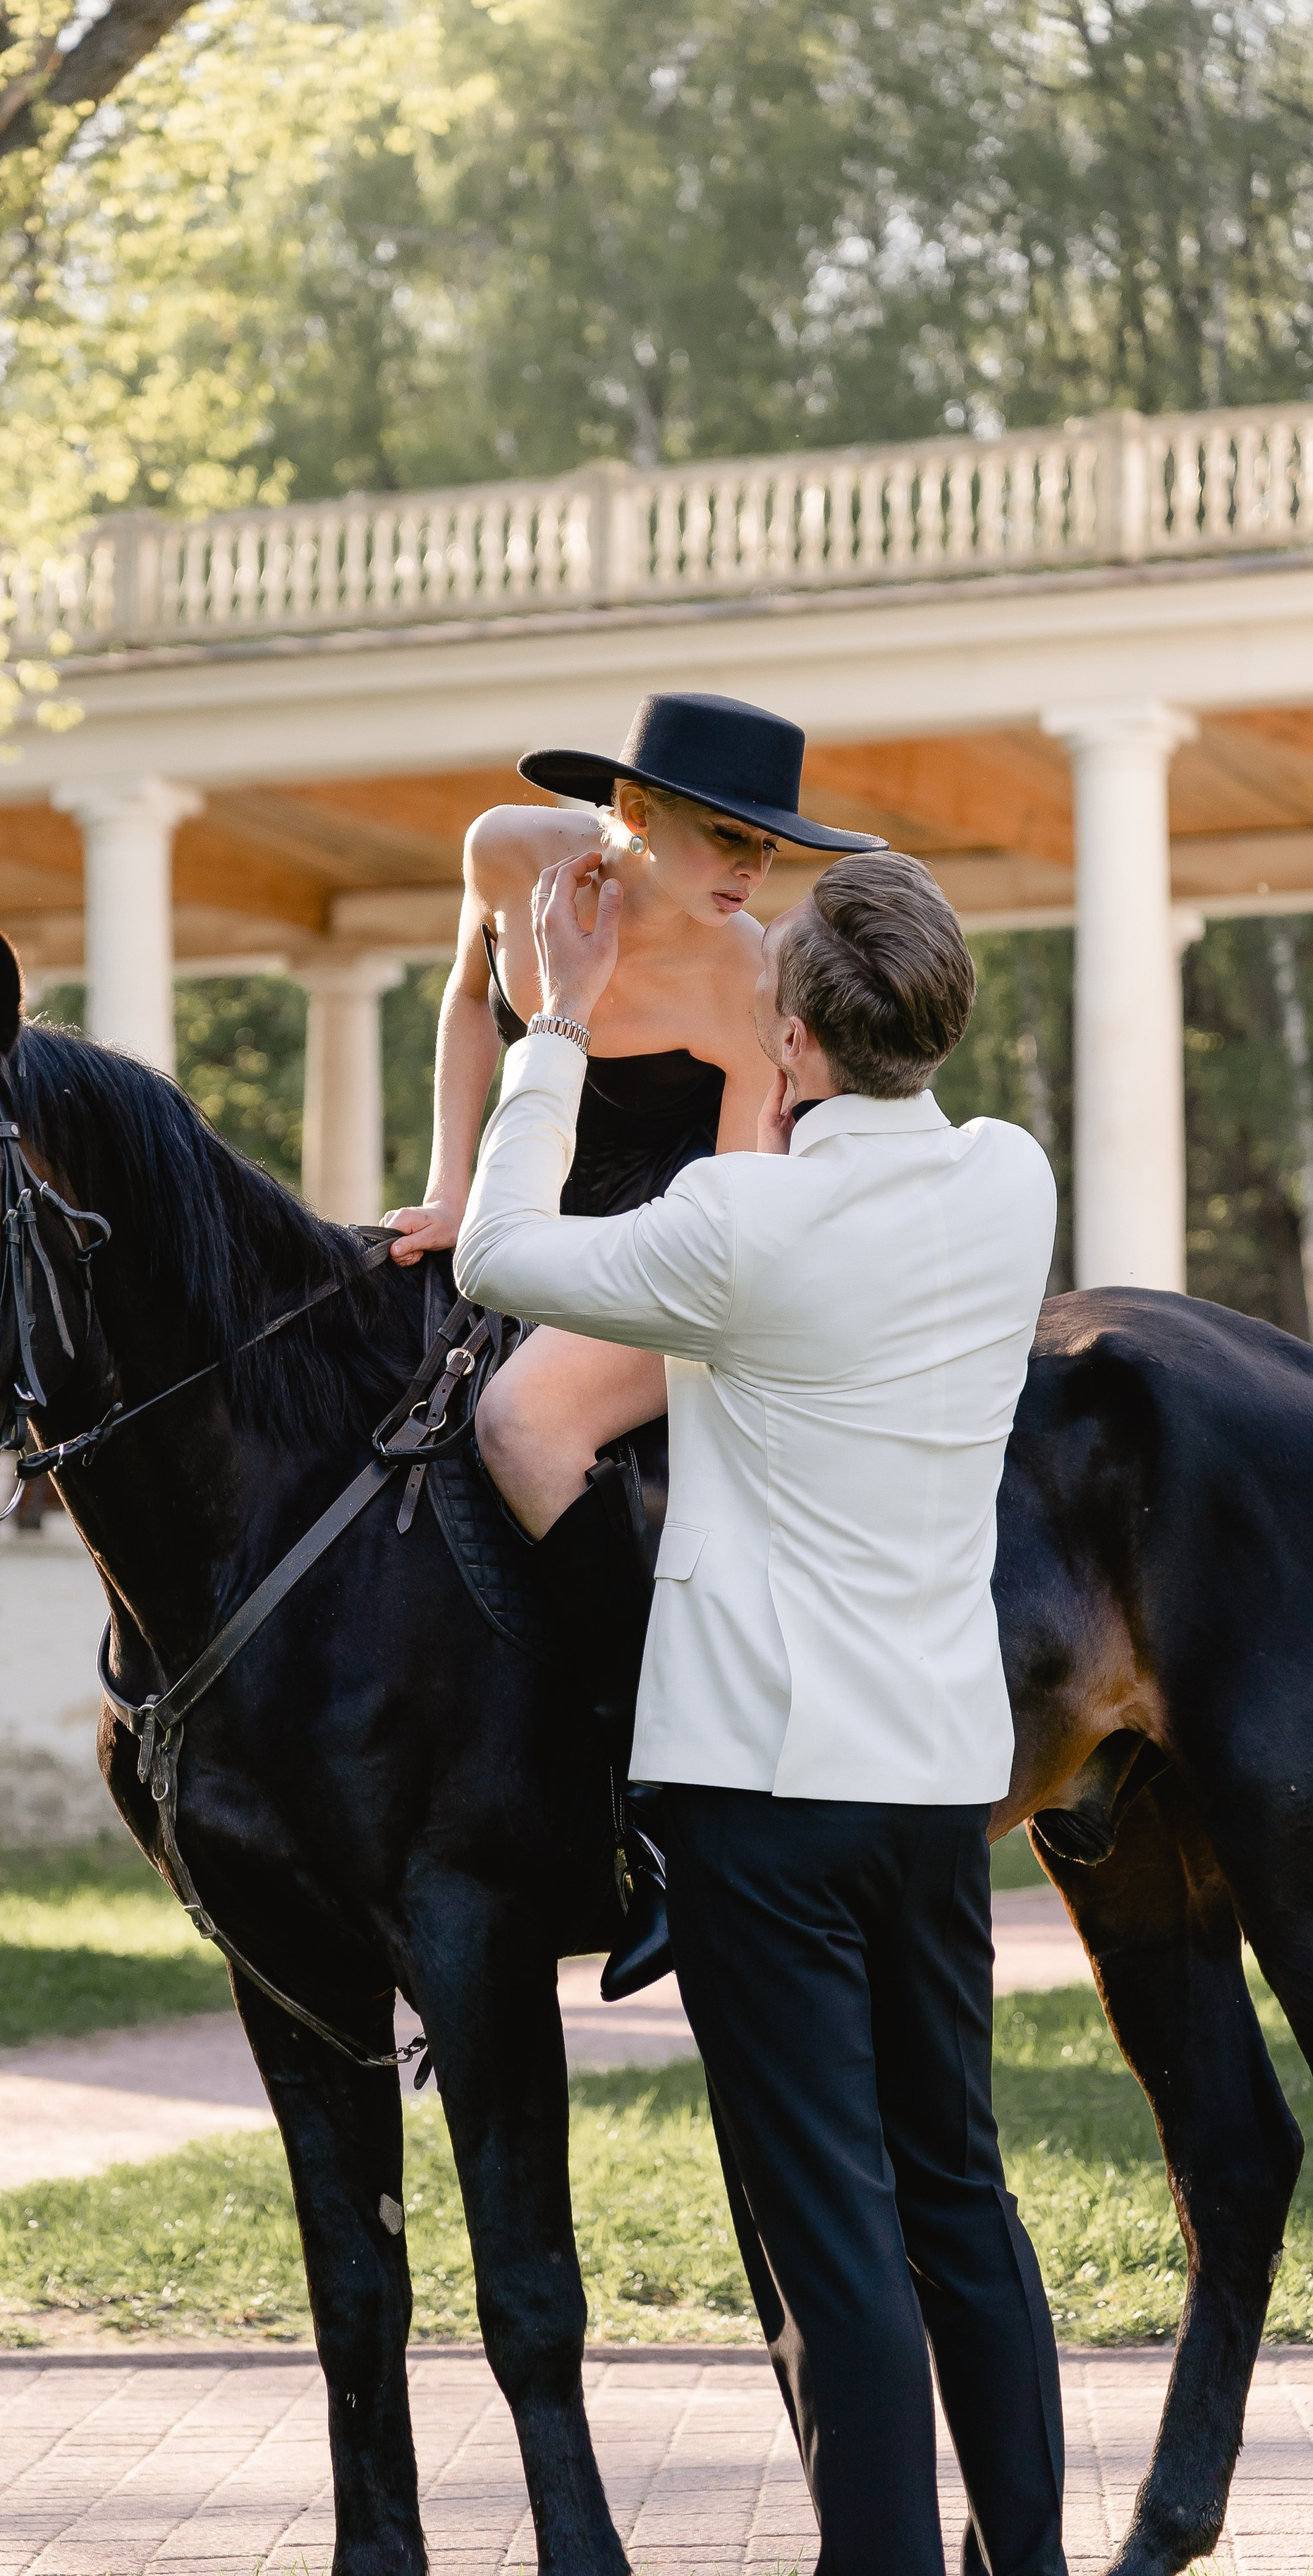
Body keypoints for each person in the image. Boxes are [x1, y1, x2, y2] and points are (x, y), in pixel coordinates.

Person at [453, 848, 1071, 2576]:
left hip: (758, 1802)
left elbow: (493, 1261)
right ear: (943, 1015)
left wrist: (554, 1018)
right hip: (934, 1789)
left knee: (835, 2240)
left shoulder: (740, 1225)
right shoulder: (1012, 1180)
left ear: (790, 1039)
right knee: (958, 2200)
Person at [386, 693, 882, 1997]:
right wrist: (451, 1193)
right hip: (517, 1205)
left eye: (769, 849)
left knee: (521, 1423)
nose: (754, 871)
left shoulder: (754, 974)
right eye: (731, 836)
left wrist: (573, 1274)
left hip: (683, 1245)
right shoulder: (508, 852)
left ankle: (662, 1813)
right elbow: (465, 1003)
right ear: (636, 814)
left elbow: (735, 1218)